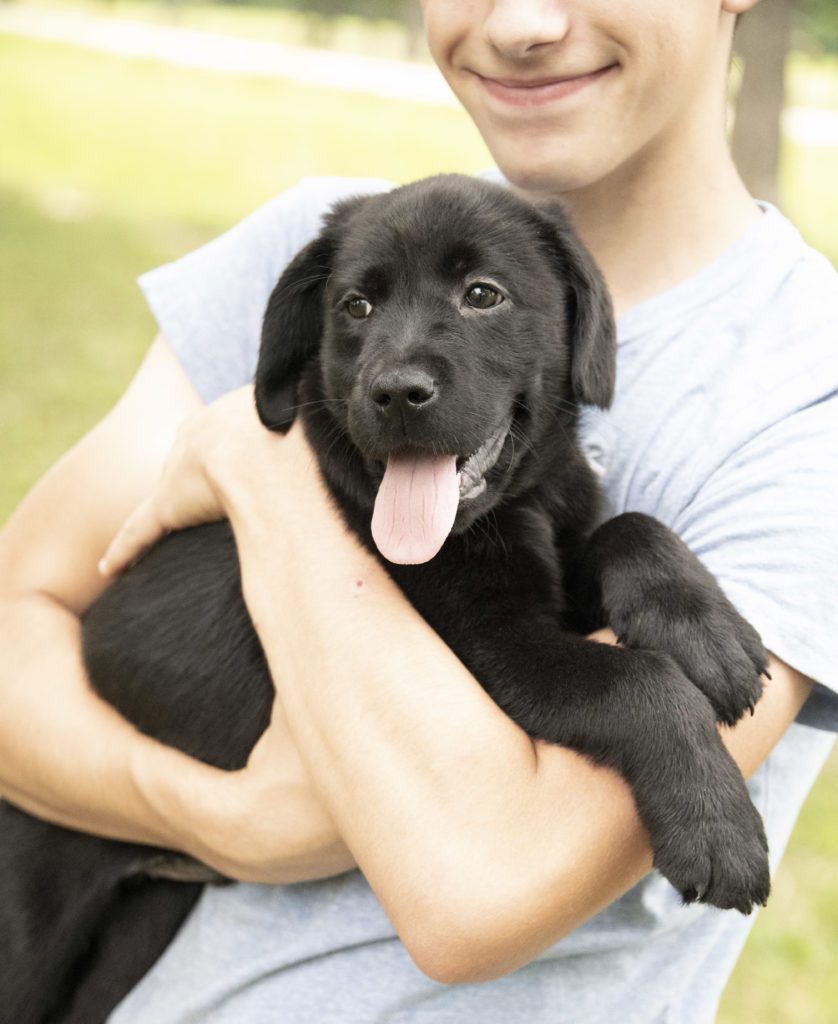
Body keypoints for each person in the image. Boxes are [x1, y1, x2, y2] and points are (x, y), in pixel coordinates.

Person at [1, 0, 836, 1020]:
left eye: (480, 297)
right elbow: (18, 623)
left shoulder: (806, 395)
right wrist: (211, 815)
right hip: (67, 877)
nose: (524, 20)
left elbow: (474, 894)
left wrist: (254, 468)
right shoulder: (315, 240)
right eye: (358, 312)